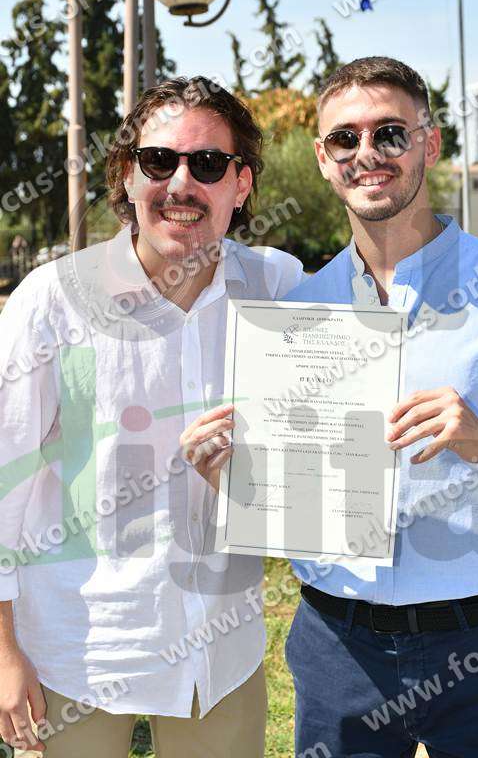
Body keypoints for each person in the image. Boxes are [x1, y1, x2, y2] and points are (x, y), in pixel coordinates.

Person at [184, 57, 478, 758]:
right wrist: (238, 482)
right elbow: (296, 504)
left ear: (430, 142)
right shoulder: (297, 309)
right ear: (323, 159)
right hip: (338, 650)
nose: (368, 154)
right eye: (345, 138)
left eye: (390, 133)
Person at [0, 77, 303, 757]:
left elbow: (380, 309)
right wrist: (3, 653)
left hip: (221, 656)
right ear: (127, 176)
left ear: (242, 184)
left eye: (209, 163)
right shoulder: (52, 301)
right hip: (78, 654)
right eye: (159, 161)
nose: (181, 184)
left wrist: (473, 264)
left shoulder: (279, 287)